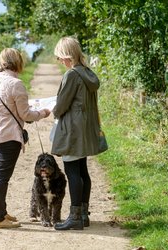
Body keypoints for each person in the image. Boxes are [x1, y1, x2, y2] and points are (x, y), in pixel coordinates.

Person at [0, 48, 51, 230]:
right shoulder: (16, 84)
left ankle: (1, 212)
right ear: (17, 62)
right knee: (2, 177)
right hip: (8, 136)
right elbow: (26, 115)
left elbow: (2, 107)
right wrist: (43, 113)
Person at [51, 37, 101, 230]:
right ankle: (83, 216)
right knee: (82, 171)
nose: (60, 61)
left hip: (72, 129)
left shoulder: (71, 75)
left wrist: (52, 110)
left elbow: (62, 105)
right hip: (85, 128)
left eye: (60, 57)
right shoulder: (87, 72)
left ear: (67, 55)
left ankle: (74, 217)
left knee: (72, 172)